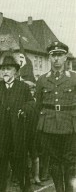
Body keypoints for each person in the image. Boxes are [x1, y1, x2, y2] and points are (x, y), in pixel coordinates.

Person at [0, 52, 34, 192]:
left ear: (15, 71)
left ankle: (26, 189)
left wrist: (24, 109)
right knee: (1, 170)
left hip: (17, 136)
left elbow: (31, 104)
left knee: (21, 169)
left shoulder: (23, 87)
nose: (5, 71)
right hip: (1, 137)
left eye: (8, 69)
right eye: (3, 69)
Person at [36, 41, 76, 192]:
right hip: (49, 126)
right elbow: (39, 104)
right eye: (53, 55)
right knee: (54, 161)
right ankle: (59, 189)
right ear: (49, 58)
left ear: (65, 57)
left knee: (70, 162)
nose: (56, 59)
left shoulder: (74, 78)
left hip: (70, 126)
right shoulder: (42, 80)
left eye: (60, 55)